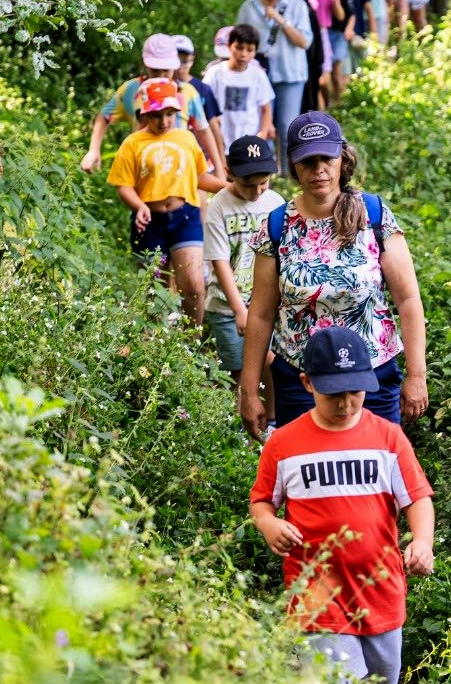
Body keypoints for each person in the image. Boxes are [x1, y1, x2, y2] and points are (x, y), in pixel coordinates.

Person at [250, 326, 435, 684]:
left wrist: (422, 541)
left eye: (355, 391)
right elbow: (262, 501)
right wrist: (269, 524)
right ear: (307, 383)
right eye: (334, 393)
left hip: (379, 589)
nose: (346, 403)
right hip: (317, 593)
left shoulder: (388, 437)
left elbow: (417, 498)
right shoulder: (284, 443)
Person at [238, 111, 428, 436]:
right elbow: (261, 313)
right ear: (293, 166)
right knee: (305, 464)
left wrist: (416, 375)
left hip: (372, 375)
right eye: (307, 161)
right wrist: (249, 390)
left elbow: (408, 299)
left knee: (377, 461)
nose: (319, 169)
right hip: (301, 380)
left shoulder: (373, 215)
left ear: (342, 157)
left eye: (327, 158)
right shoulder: (277, 226)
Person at [106, 78, 226, 322]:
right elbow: (124, 186)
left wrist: (229, 187)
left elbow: (200, 177)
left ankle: (192, 338)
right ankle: (155, 339)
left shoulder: (186, 138)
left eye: (169, 114)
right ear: (144, 114)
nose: (164, 121)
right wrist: (139, 206)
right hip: (149, 222)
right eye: (156, 115)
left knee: (193, 285)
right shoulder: (132, 143)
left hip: (185, 216)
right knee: (154, 289)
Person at [78, 33, 222, 177]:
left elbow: (203, 130)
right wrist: (93, 149)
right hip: (143, 171)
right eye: (155, 70)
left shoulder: (187, 92)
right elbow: (104, 116)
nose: (160, 75)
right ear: (144, 64)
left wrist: (219, 169)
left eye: (166, 70)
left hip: (180, 172)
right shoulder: (131, 90)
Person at [204, 136, 286, 385]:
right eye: (248, 185)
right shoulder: (219, 206)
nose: (257, 191)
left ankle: (269, 412)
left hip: (267, 304)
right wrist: (239, 310)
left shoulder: (276, 203)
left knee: (270, 367)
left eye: (263, 183)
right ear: (229, 173)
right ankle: (238, 410)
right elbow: (219, 261)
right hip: (226, 308)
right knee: (237, 374)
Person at [235, 0, 313, 172]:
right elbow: (238, 39)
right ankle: (264, 173)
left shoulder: (297, 6)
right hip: (259, 75)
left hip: (290, 75)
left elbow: (304, 42)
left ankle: (289, 174)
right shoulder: (249, 7)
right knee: (262, 128)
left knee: (287, 126)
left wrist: (281, 21)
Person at [204, 24, 274, 149]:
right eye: (239, 48)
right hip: (220, 140)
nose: (243, 54)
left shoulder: (258, 75)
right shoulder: (215, 73)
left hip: (250, 142)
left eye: (249, 50)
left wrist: (262, 135)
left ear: (255, 52)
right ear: (229, 46)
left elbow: (266, 108)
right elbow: (203, 102)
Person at [172, 34, 224, 173]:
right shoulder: (162, 87)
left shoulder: (202, 89)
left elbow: (214, 127)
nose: (180, 66)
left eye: (184, 60)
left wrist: (221, 164)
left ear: (192, 58)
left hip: (200, 156)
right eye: (176, 59)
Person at [328, 0, 371, 89]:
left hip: (358, 35)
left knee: (363, 68)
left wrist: (373, 32)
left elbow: (368, 10)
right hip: (341, 38)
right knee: (344, 72)